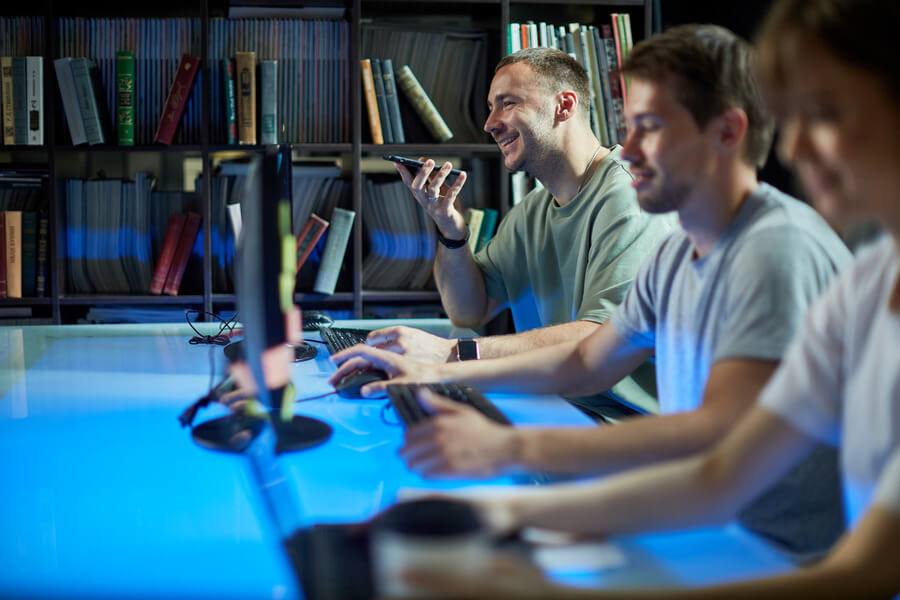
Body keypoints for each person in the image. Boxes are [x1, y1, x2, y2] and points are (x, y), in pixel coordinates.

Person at [386, 0, 900, 597]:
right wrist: (508, 506)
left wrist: (502, 442)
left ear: (727, 132)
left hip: (767, 553)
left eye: (827, 113)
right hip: (721, 533)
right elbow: (698, 456)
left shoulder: (776, 248)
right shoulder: (704, 259)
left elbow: (863, 562)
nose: (627, 151)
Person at [371, 47, 673, 414]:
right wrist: (450, 228)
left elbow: (599, 340)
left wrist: (451, 354)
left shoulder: (630, 197)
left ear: (564, 106)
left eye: (507, 103)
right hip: (555, 407)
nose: (489, 123)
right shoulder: (532, 210)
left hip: (623, 430)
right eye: (490, 107)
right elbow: (469, 310)